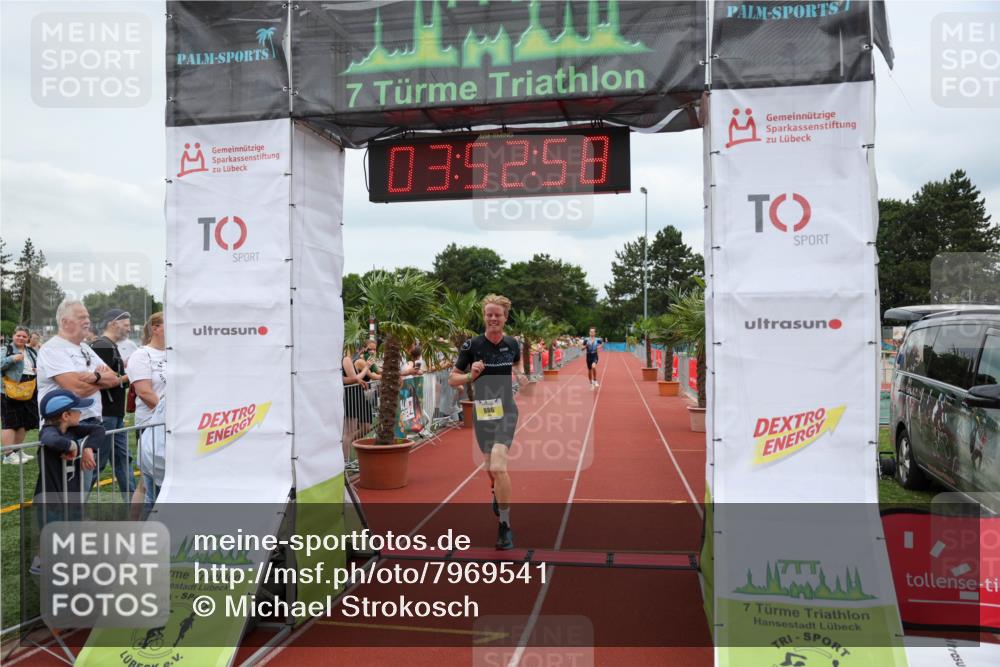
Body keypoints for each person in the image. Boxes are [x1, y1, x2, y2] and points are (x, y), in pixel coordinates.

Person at [449, 294, 521, 551]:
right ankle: (497, 493)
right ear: (484, 316)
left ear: (505, 317)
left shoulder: (513, 344)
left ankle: (505, 525)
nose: (493, 318)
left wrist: (521, 376)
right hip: (484, 413)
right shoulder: (472, 346)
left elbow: (517, 364)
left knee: (500, 465)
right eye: (489, 314)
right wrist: (471, 374)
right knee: (491, 468)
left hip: (507, 412)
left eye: (497, 314)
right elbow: (452, 379)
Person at [36, 300, 121, 480]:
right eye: (82, 317)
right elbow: (76, 389)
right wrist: (99, 378)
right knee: (66, 494)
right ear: (65, 322)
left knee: (82, 491)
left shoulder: (84, 347)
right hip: (64, 430)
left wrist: (95, 377)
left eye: (88, 316)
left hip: (89, 426)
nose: (88, 321)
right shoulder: (53, 348)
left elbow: (115, 378)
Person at [29, 389, 104, 575]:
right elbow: (50, 440)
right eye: (78, 410)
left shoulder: (71, 429)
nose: (82, 413)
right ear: (65, 415)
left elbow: (99, 430)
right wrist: (73, 445)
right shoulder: (48, 431)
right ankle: (42, 564)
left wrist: (87, 448)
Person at [89, 309, 135, 500]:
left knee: (123, 459)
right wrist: (132, 373)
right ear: (113, 323)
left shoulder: (110, 346)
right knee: (96, 463)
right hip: (105, 414)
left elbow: (112, 378)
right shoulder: (102, 346)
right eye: (126, 325)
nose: (130, 329)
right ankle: (74, 510)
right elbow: (100, 380)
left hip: (115, 414)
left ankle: (134, 506)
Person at [127, 313, 167, 510]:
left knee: (152, 486)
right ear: (156, 328)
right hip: (151, 427)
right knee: (150, 488)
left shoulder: (175, 353)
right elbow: (144, 392)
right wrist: (170, 414)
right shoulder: (142, 355)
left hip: (172, 427)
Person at [2, 326, 39, 464]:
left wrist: (37, 369)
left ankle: (17, 451)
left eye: (24, 336)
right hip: (10, 390)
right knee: (10, 422)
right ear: (13, 335)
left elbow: (37, 365)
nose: (21, 338)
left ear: (28, 338)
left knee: (25, 422)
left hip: (29, 388)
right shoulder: (6, 349)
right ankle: (8, 455)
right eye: (18, 335)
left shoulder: (31, 351)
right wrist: (12, 359)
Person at [342, 345, 371, 456]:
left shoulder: (346, 359)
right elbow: (355, 379)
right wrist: (366, 367)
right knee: (348, 432)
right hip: (350, 396)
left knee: (353, 431)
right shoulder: (346, 359)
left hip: (355, 396)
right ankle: (345, 461)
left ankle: (346, 458)